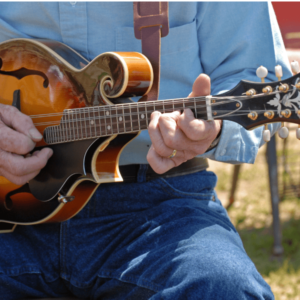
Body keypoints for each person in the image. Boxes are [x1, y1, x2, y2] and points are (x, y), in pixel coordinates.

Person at [0, 2, 291, 300]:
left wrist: (212, 129)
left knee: (222, 288)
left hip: (162, 205)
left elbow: (261, 77)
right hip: (12, 216)